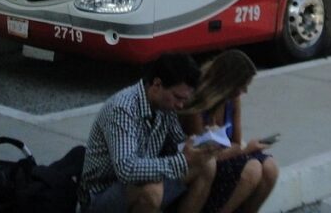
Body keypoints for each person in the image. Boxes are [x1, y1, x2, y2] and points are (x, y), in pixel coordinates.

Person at [80, 53, 217, 213]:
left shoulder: (165, 107)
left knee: (207, 165)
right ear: (157, 84)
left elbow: (178, 144)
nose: (181, 105)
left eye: (184, 100)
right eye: (177, 97)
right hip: (102, 194)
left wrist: (202, 144)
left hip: (143, 182)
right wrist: (182, 160)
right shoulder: (123, 109)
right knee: (151, 190)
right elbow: (127, 169)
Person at [180, 50, 279, 213]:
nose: (244, 91)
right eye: (242, 86)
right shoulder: (197, 103)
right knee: (252, 169)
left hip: (227, 155)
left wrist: (237, 149)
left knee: (271, 168)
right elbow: (202, 154)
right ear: (228, 82)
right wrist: (244, 150)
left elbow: (236, 142)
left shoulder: (232, 99)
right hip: (208, 162)